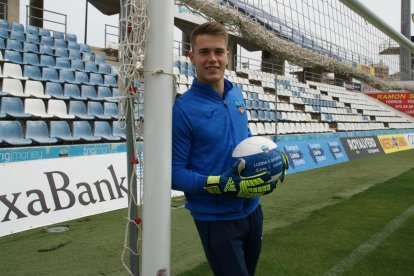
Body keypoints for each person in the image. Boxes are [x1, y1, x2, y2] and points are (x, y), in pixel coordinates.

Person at [172, 21, 286, 276]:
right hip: (216, 218)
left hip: (252, 209)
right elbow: (174, 173)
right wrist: (223, 183)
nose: (212, 59)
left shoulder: (237, 95)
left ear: (228, 56)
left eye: (218, 52)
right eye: (204, 52)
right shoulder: (183, 110)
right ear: (191, 57)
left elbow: (245, 140)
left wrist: (271, 156)